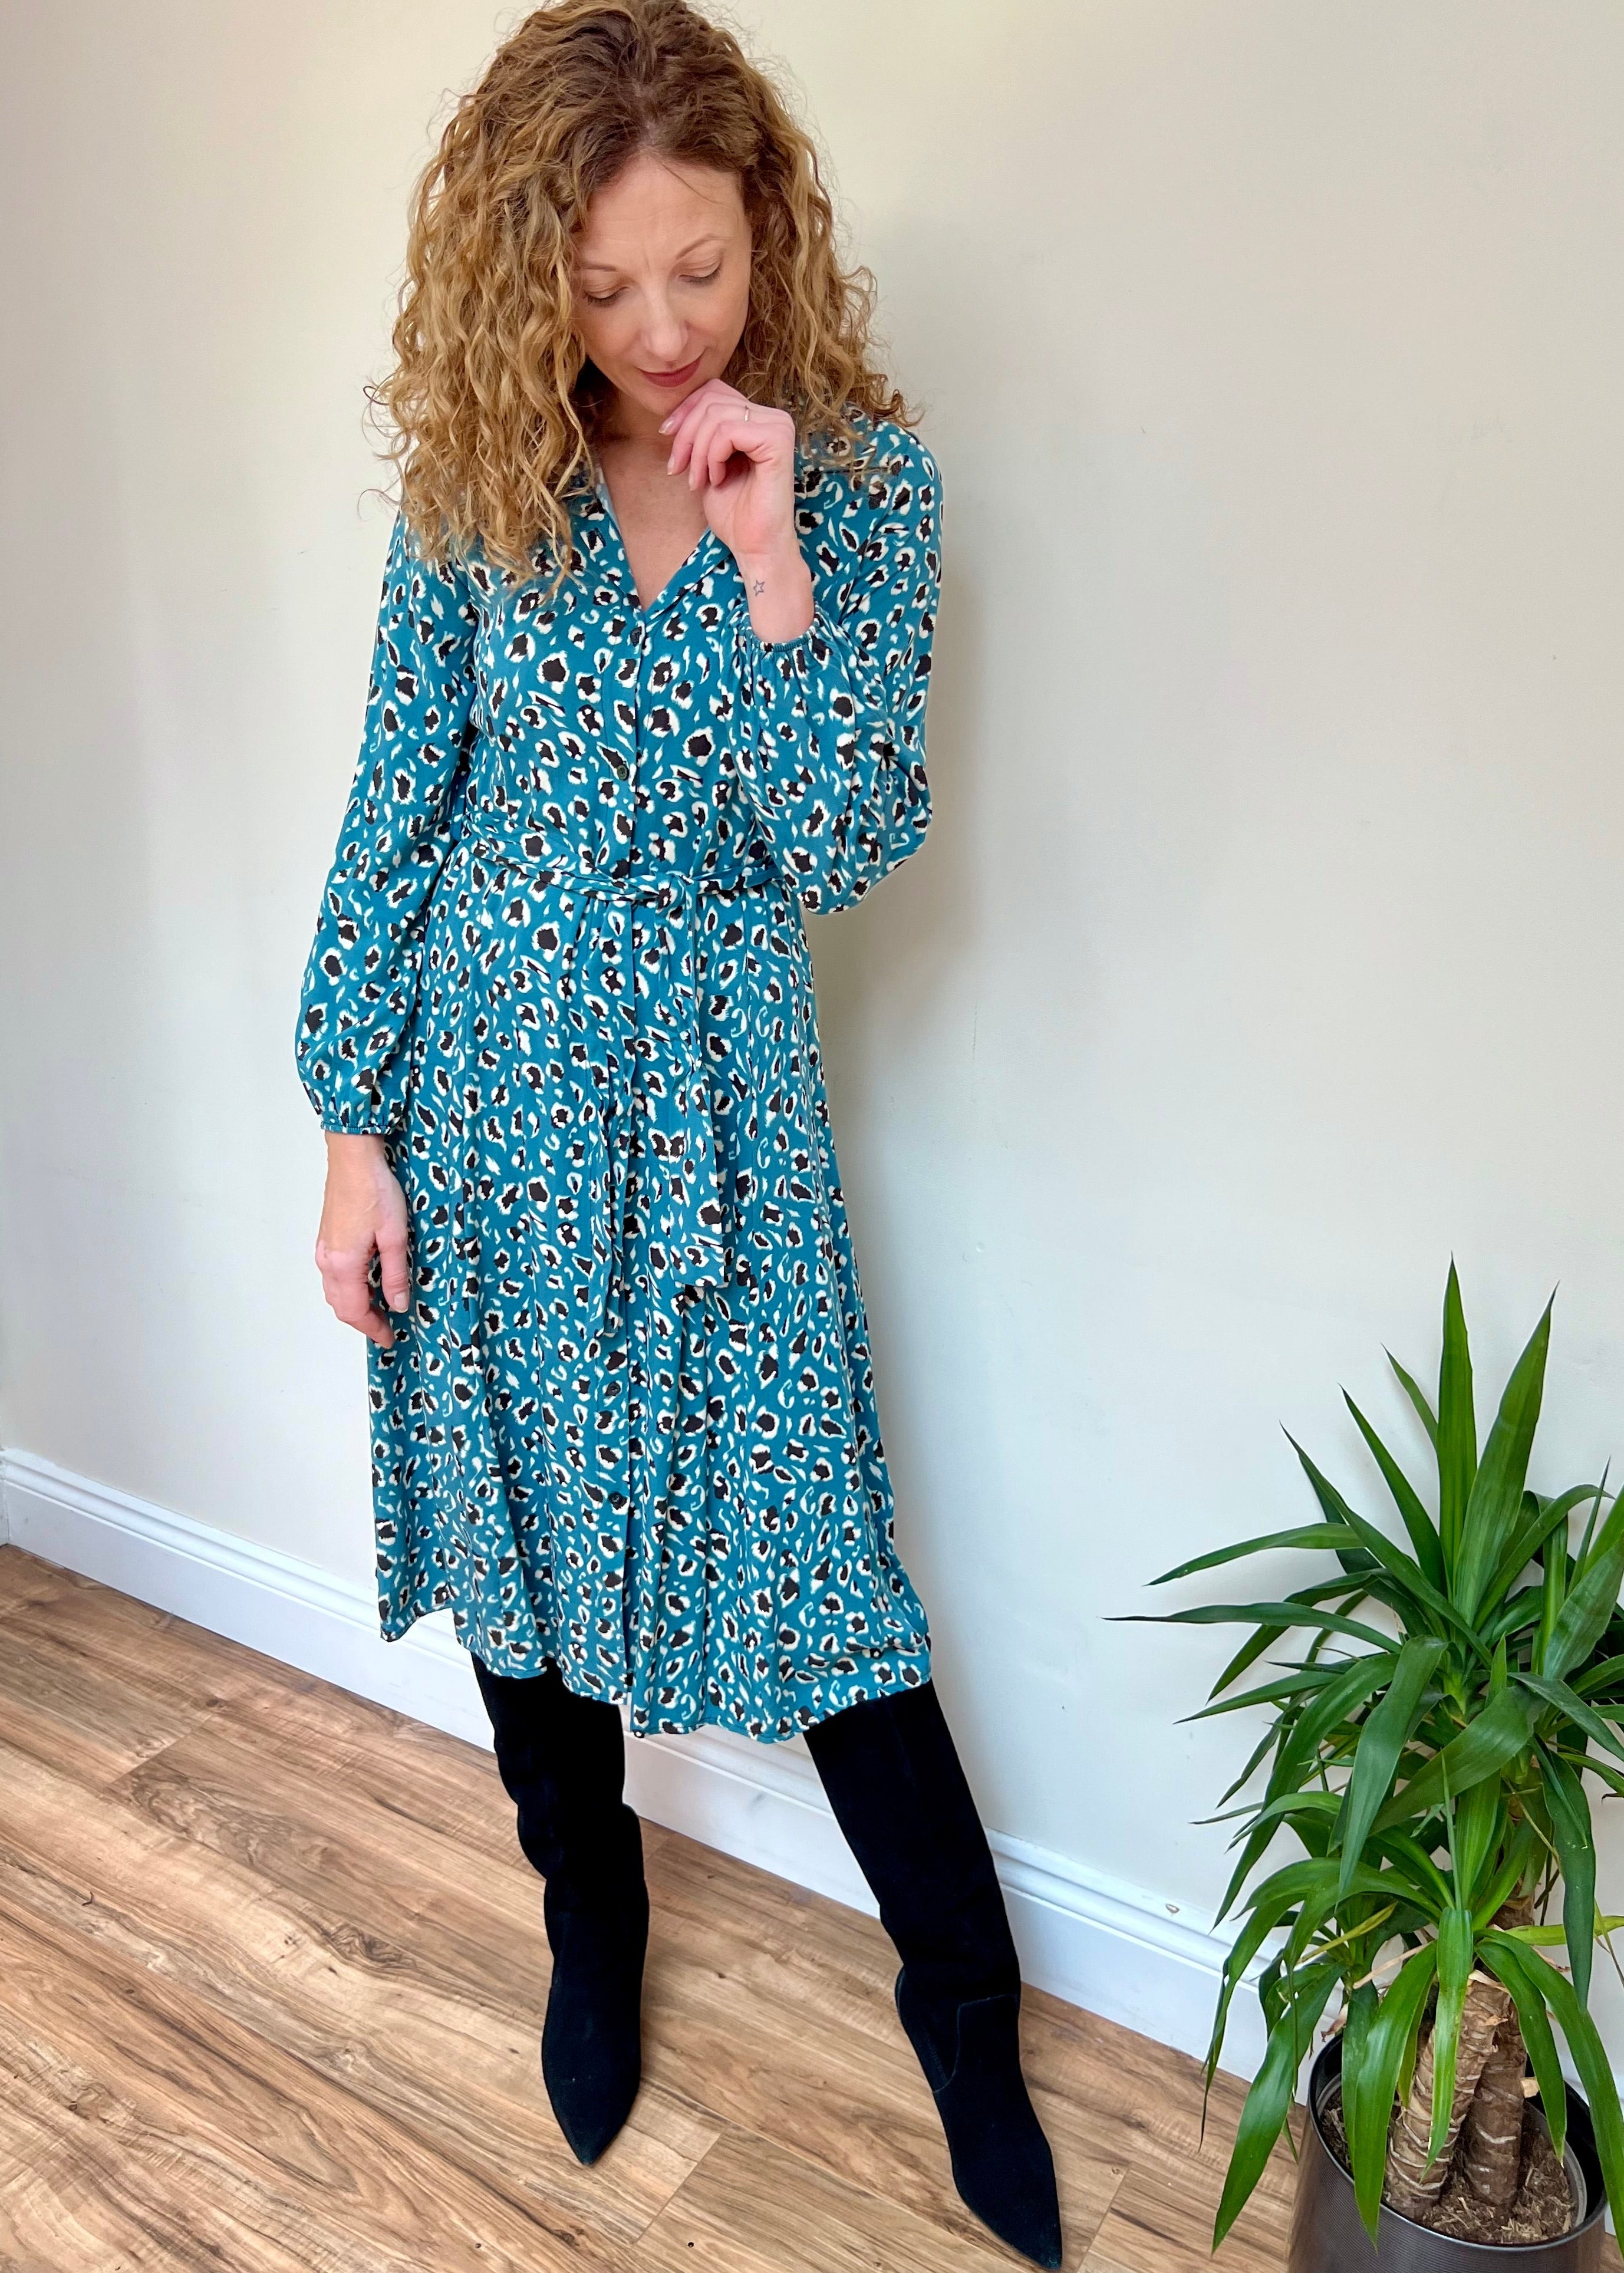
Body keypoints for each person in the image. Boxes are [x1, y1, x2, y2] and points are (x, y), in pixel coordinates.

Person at [292, 2, 1060, 2263]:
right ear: (525, 270)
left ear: (767, 239)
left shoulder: (869, 493)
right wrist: (351, 1133)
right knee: (522, 1557)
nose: (656, 331)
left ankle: (964, 2015)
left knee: (819, 1575)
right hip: (480, 1102)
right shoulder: (482, 491)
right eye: (604, 283)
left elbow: (839, 841)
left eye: (699, 271)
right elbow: (397, 810)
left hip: (719, 1125)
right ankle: (590, 1922)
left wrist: (769, 556)